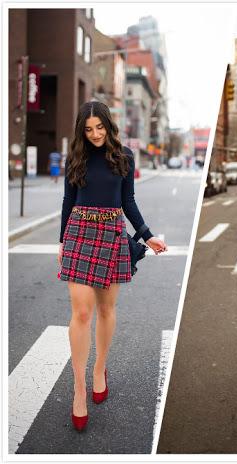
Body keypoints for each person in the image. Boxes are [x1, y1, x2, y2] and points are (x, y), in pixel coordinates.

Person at [57, 101, 167, 431]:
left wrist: (146, 236)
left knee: (106, 310)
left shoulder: (124, 157)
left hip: (111, 232)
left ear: (109, 125)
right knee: (81, 313)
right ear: (82, 130)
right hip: (78, 231)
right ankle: (78, 389)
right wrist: (62, 241)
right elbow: (67, 200)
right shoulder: (75, 157)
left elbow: (127, 201)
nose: (95, 134)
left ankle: (98, 369)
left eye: (100, 128)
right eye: (88, 129)